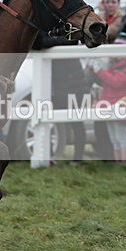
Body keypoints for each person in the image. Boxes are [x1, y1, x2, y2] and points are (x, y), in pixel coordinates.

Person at [32, 30, 88, 166]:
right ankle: (49, 156)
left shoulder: (66, 24)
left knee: (77, 122)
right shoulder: (45, 26)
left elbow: (72, 40)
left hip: (73, 81)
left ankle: (78, 158)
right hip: (53, 83)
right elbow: (38, 43)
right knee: (48, 121)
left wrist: (49, 42)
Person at [88, 34, 126, 163]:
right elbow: (106, 82)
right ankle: (119, 164)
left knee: (122, 139)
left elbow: (116, 82)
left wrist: (100, 71)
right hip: (108, 105)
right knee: (114, 140)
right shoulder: (114, 65)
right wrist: (93, 70)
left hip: (120, 105)